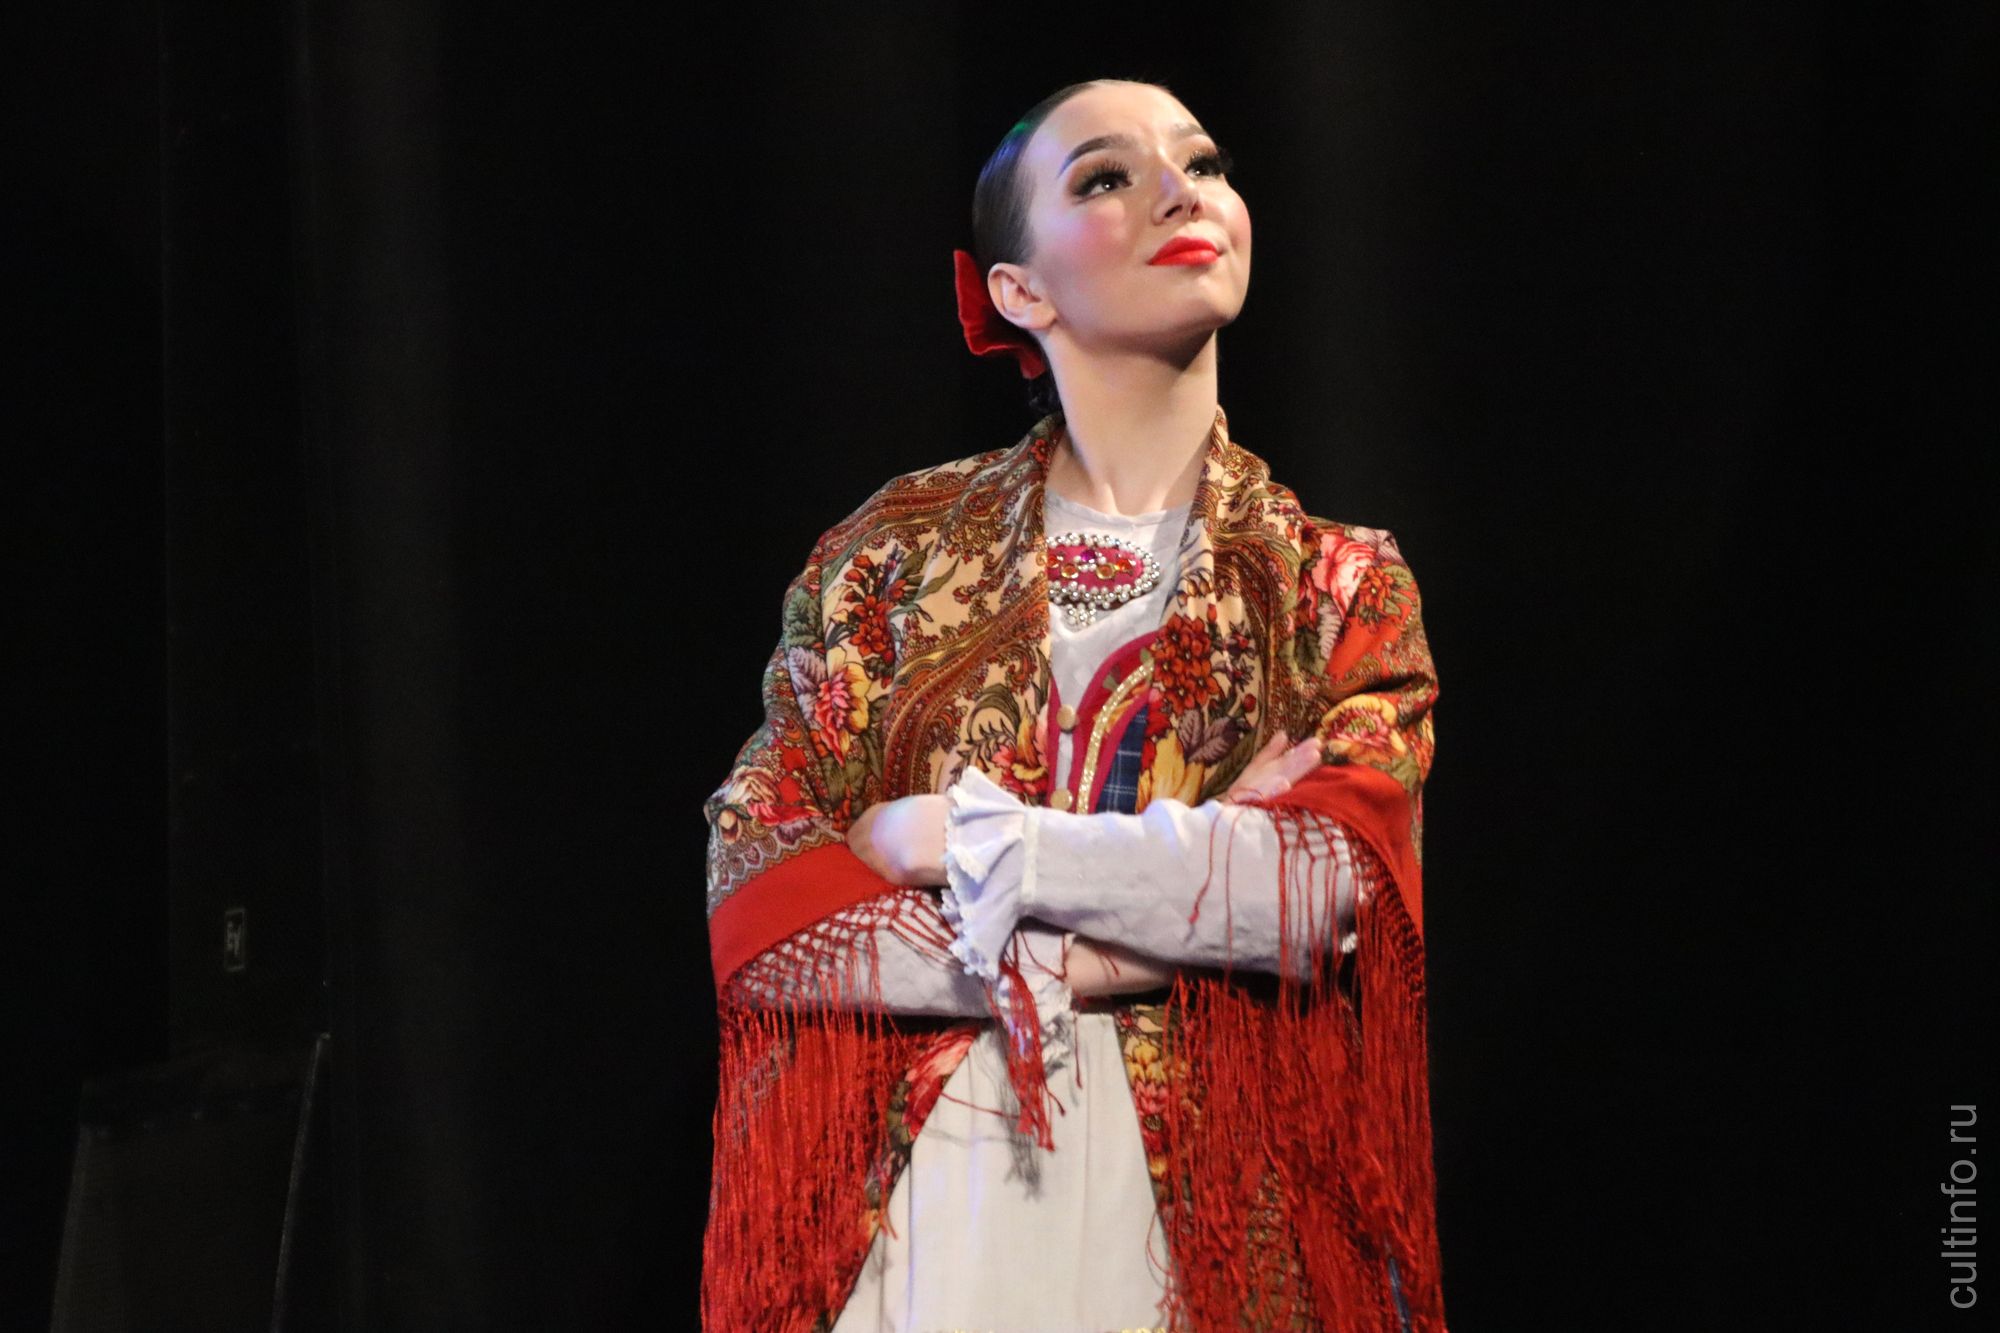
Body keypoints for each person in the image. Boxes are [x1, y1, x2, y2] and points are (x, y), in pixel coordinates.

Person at [702, 77, 1445, 1333]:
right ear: (1018, 291)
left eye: (1202, 165)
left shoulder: (1330, 584)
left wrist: (955, 840)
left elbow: (1323, 891)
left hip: (1221, 1221)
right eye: (1105, 177)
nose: (1178, 194)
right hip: (940, 1218)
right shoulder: (891, 562)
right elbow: (758, 903)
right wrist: (1152, 916)